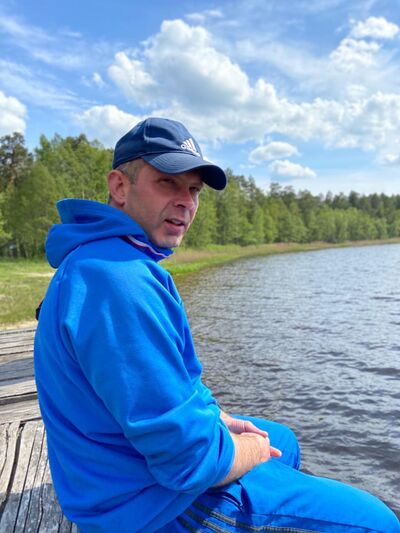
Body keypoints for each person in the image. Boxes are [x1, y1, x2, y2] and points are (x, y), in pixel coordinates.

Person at [34, 117, 400, 533]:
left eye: (193, 190)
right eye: (168, 183)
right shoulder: (118, 281)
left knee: (283, 439)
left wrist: (219, 418)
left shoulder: (105, 259)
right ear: (119, 186)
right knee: (378, 522)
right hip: (145, 507)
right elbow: (190, 462)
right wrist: (250, 450)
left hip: (114, 470)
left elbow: (178, 383)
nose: (185, 202)